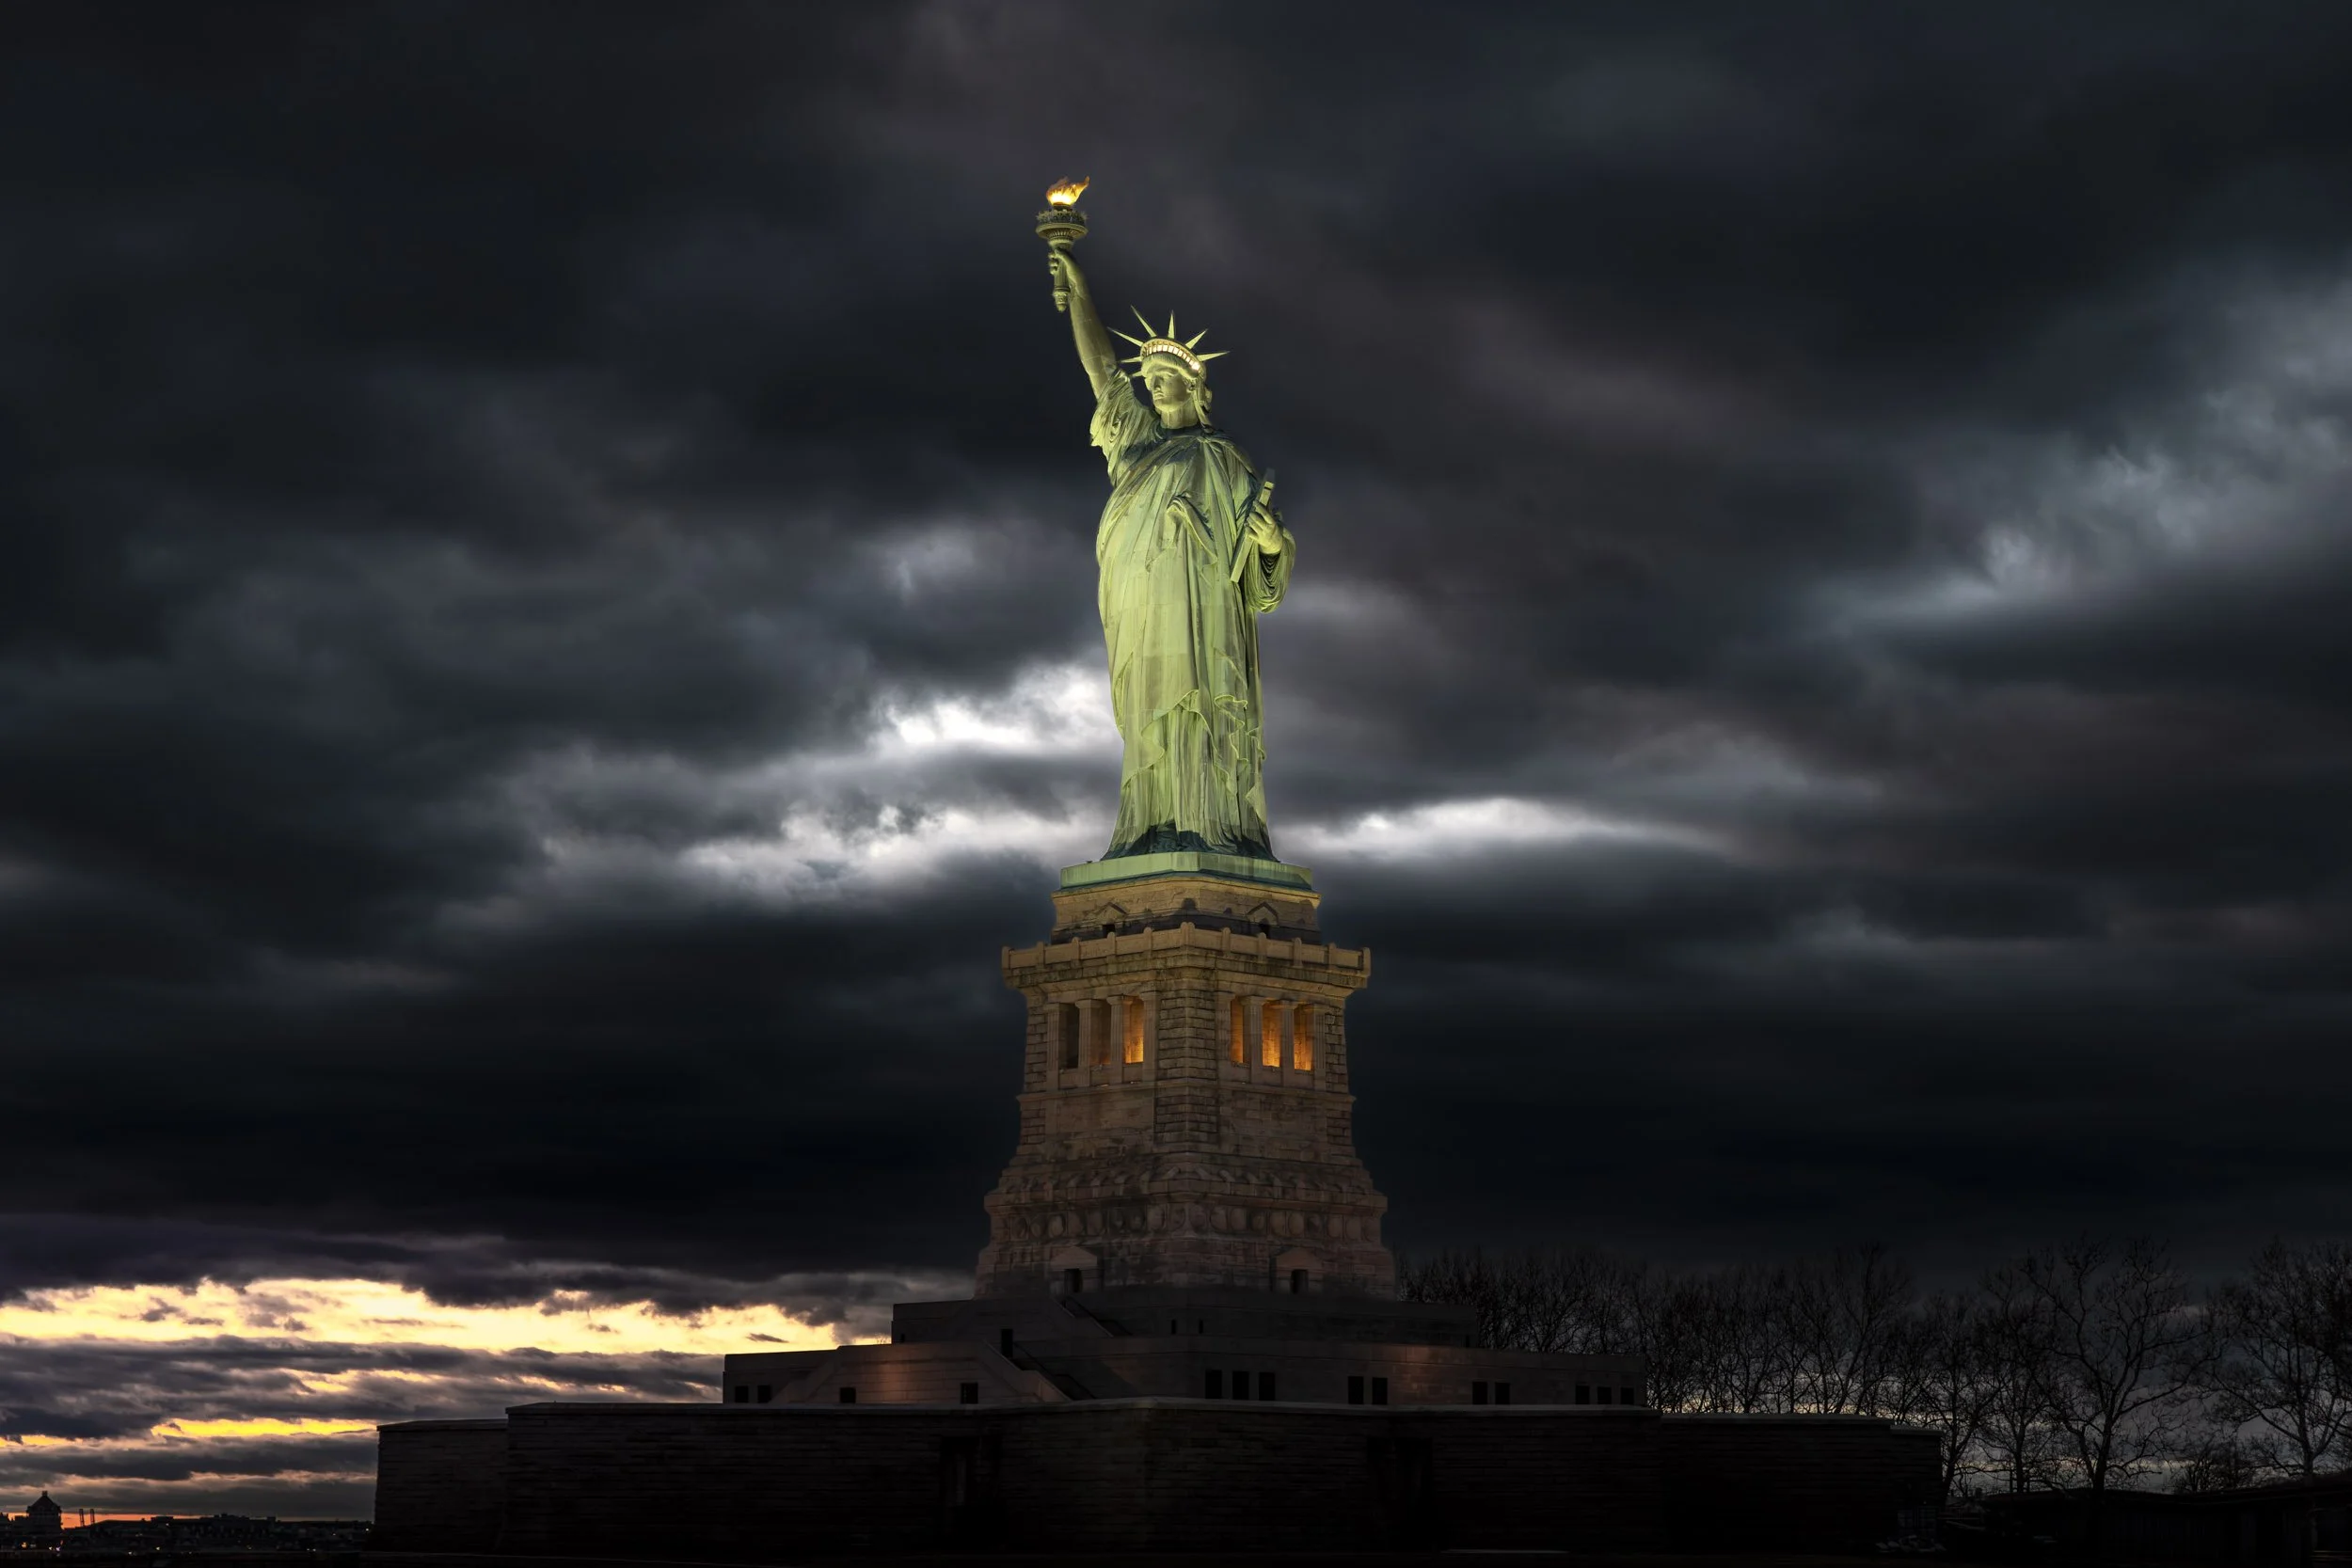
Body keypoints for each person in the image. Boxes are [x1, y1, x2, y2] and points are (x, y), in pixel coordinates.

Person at [1048, 246, 1294, 861]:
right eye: (1150, 379)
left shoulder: (1224, 459)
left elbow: (1263, 572)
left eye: (1166, 377)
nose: (1154, 386)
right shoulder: (1136, 446)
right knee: (1150, 709)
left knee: (1203, 706)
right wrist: (1079, 292)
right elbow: (1102, 372)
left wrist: (1270, 543)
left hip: (1206, 614)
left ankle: (1206, 824)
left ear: (1195, 386)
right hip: (1141, 604)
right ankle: (1150, 826)